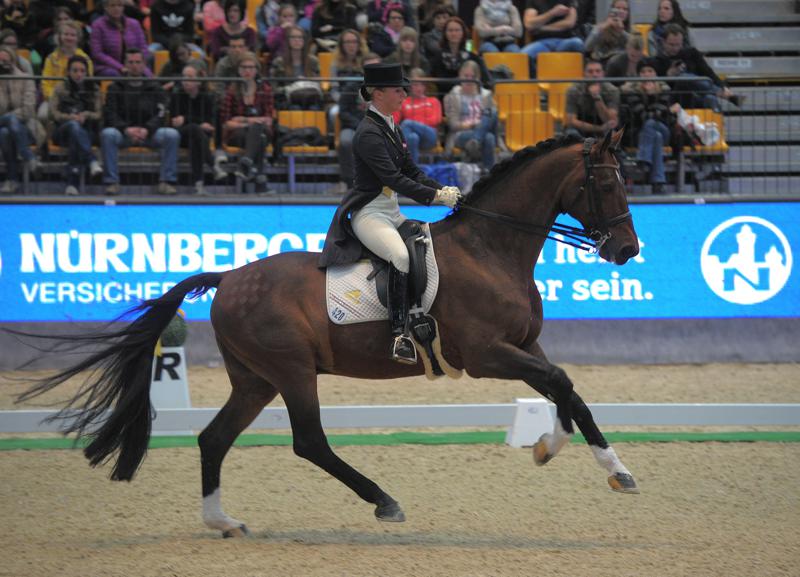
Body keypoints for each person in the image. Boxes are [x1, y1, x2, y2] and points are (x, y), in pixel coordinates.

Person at [318, 62, 460, 364]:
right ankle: (399, 335)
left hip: (391, 212)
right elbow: (393, 179)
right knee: (400, 257)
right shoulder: (369, 133)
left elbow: (410, 170)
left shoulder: (391, 126)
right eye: (398, 89)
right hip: (369, 214)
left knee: (427, 247)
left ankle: (421, 314)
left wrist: (444, 189)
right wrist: (434, 197)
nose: (404, 94)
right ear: (377, 92)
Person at [100, 49, 181, 195]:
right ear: (125, 65)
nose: (134, 65)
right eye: (130, 62)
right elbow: (110, 113)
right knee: (107, 134)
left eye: (138, 62)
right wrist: (126, 129)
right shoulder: (114, 87)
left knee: (172, 135)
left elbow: (162, 113)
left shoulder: (155, 87)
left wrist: (147, 129)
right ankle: (112, 182)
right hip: (123, 134)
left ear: (144, 65)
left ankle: (166, 181)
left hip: (149, 134)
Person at [49, 55, 104, 196]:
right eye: (75, 70)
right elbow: (53, 113)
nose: (79, 74)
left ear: (87, 72)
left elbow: (99, 114)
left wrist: (86, 115)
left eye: (82, 71)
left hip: (87, 131)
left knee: (77, 136)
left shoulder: (94, 89)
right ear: (68, 72)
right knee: (74, 127)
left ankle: (72, 184)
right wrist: (70, 117)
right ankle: (91, 160)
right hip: (62, 131)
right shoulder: (60, 88)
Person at [653, 23, 738, 111]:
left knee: (710, 98)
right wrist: (668, 76)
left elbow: (708, 73)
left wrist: (723, 87)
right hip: (674, 101)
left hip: (696, 96)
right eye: (671, 45)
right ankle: (719, 92)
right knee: (683, 78)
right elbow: (657, 87)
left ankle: (716, 120)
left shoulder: (692, 54)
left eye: (678, 44)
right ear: (663, 42)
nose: (675, 48)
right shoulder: (656, 61)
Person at [220, 51, 275, 186]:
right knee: (260, 138)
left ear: (256, 70)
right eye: (244, 67)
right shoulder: (231, 91)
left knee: (258, 130)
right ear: (238, 70)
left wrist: (241, 119)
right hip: (238, 134)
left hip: (261, 129)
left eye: (251, 67)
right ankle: (259, 182)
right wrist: (249, 122)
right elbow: (226, 123)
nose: (247, 71)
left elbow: (269, 120)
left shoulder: (264, 89)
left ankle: (246, 161)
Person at [170, 65, 227, 194]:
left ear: (199, 81)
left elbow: (210, 123)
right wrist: (197, 122)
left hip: (199, 136)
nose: (185, 80)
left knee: (195, 138)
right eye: (184, 77)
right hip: (180, 136)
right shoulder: (176, 95)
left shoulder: (207, 97)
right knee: (196, 129)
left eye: (190, 77)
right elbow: (174, 122)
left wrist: (186, 119)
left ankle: (199, 184)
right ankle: (213, 165)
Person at [328, 47, 377, 195]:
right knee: (345, 141)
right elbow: (343, 111)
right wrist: (360, 125)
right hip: (353, 126)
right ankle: (349, 182)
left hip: (378, 128)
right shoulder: (351, 86)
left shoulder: (387, 89)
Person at [621, 57, 673, 193]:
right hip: (639, 133)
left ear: (655, 73)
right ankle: (658, 183)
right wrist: (652, 102)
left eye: (650, 71)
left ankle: (643, 160)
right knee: (655, 135)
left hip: (664, 129)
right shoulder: (631, 91)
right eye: (643, 71)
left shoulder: (665, 89)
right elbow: (642, 116)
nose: (647, 74)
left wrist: (652, 97)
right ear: (639, 75)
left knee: (652, 125)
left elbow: (658, 115)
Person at [0, 46, 42, 194]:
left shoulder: (25, 78)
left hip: (26, 128)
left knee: (5, 133)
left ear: (13, 60)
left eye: (5, 60)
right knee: (6, 127)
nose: (2, 63)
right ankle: (29, 157)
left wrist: (10, 117)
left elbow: (28, 109)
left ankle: (12, 179)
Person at [443, 59, 498, 169]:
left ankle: (475, 142)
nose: (468, 80)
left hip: (481, 133)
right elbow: (453, 125)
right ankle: (489, 173)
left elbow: (493, 120)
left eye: (472, 77)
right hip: (461, 134)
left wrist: (479, 127)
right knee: (488, 137)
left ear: (477, 78)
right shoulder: (453, 95)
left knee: (492, 115)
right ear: (460, 76)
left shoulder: (486, 95)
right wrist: (474, 124)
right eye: (466, 76)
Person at [40, 20, 94, 121]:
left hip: (78, 99)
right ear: (60, 36)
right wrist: (56, 97)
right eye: (66, 34)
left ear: (78, 38)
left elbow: (88, 82)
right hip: (53, 98)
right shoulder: (51, 58)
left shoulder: (85, 58)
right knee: (42, 114)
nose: (69, 37)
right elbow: (45, 83)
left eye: (73, 35)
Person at [520, 0, 584, 78]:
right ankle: (537, 83)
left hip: (564, 41)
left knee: (577, 43)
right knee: (522, 56)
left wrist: (542, 28)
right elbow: (529, 24)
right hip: (541, 42)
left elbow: (569, 23)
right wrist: (553, 13)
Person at [430, 17, 491, 96]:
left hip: (470, 97)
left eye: (457, 30)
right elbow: (440, 83)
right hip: (445, 97)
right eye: (450, 30)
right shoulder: (437, 57)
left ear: (463, 33)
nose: (454, 33)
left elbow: (486, 80)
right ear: (445, 33)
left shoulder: (473, 57)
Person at [90, 0, 152, 77]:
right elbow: (97, 53)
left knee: (147, 73)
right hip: (108, 66)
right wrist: (120, 67)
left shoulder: (134, 23)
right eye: (112, 5)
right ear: (106, 7)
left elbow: (143, 48)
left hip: (134, 63)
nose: (116, 8)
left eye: (119, 5)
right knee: (114, 74)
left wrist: (139, 64)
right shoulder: (98, 25)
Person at [268, 25, 322, 110]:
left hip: (310, 98)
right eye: (293, 37)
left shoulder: (313, 61)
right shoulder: (278, 62)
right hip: (288, 100)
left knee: (314, 108)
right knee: (295, 108)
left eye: (300, 37)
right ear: (287, 40)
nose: (297, 40)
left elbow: (320, 83)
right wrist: (291, 87)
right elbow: (273, 87)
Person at [563, 57, 619, 137]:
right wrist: (599, 128)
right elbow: (571, 121)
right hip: (580, 127)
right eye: (590, 71)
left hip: (603, 123)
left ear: (603, 73)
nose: (594, 75)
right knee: (571, 134)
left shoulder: (612, 90)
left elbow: (610, 120)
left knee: (612, 136)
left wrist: (597, 97)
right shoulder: (573, 90)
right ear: (584, 74)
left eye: (598, 71)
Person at [396, 67, 441, 163]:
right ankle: (414, 172)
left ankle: (401, 158)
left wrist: (414, 124)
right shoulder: (404, 102)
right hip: (412, 137)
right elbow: (395, 121)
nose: (419, 88)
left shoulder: (433, 101)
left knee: (407, 123)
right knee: (413, 137)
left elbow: (436, 120)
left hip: (430, 135)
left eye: (422, 84)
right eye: (416, 84)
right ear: (410, 86)